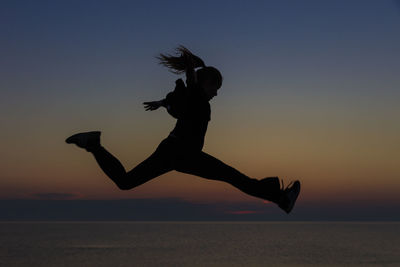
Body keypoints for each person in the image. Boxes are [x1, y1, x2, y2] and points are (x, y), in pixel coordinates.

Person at [65, 46, 300, 213]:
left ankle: (94, 144)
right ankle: (280, 198)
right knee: (233, 177)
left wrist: (162, 103)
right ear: (206, 83)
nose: (217, 93)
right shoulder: (198, 95)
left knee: (126, 182)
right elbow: (191, 88)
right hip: (181, 153)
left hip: (176, 152)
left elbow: (182, 100)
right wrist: (188, 70)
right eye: (216, 87)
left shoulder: (193, 99)